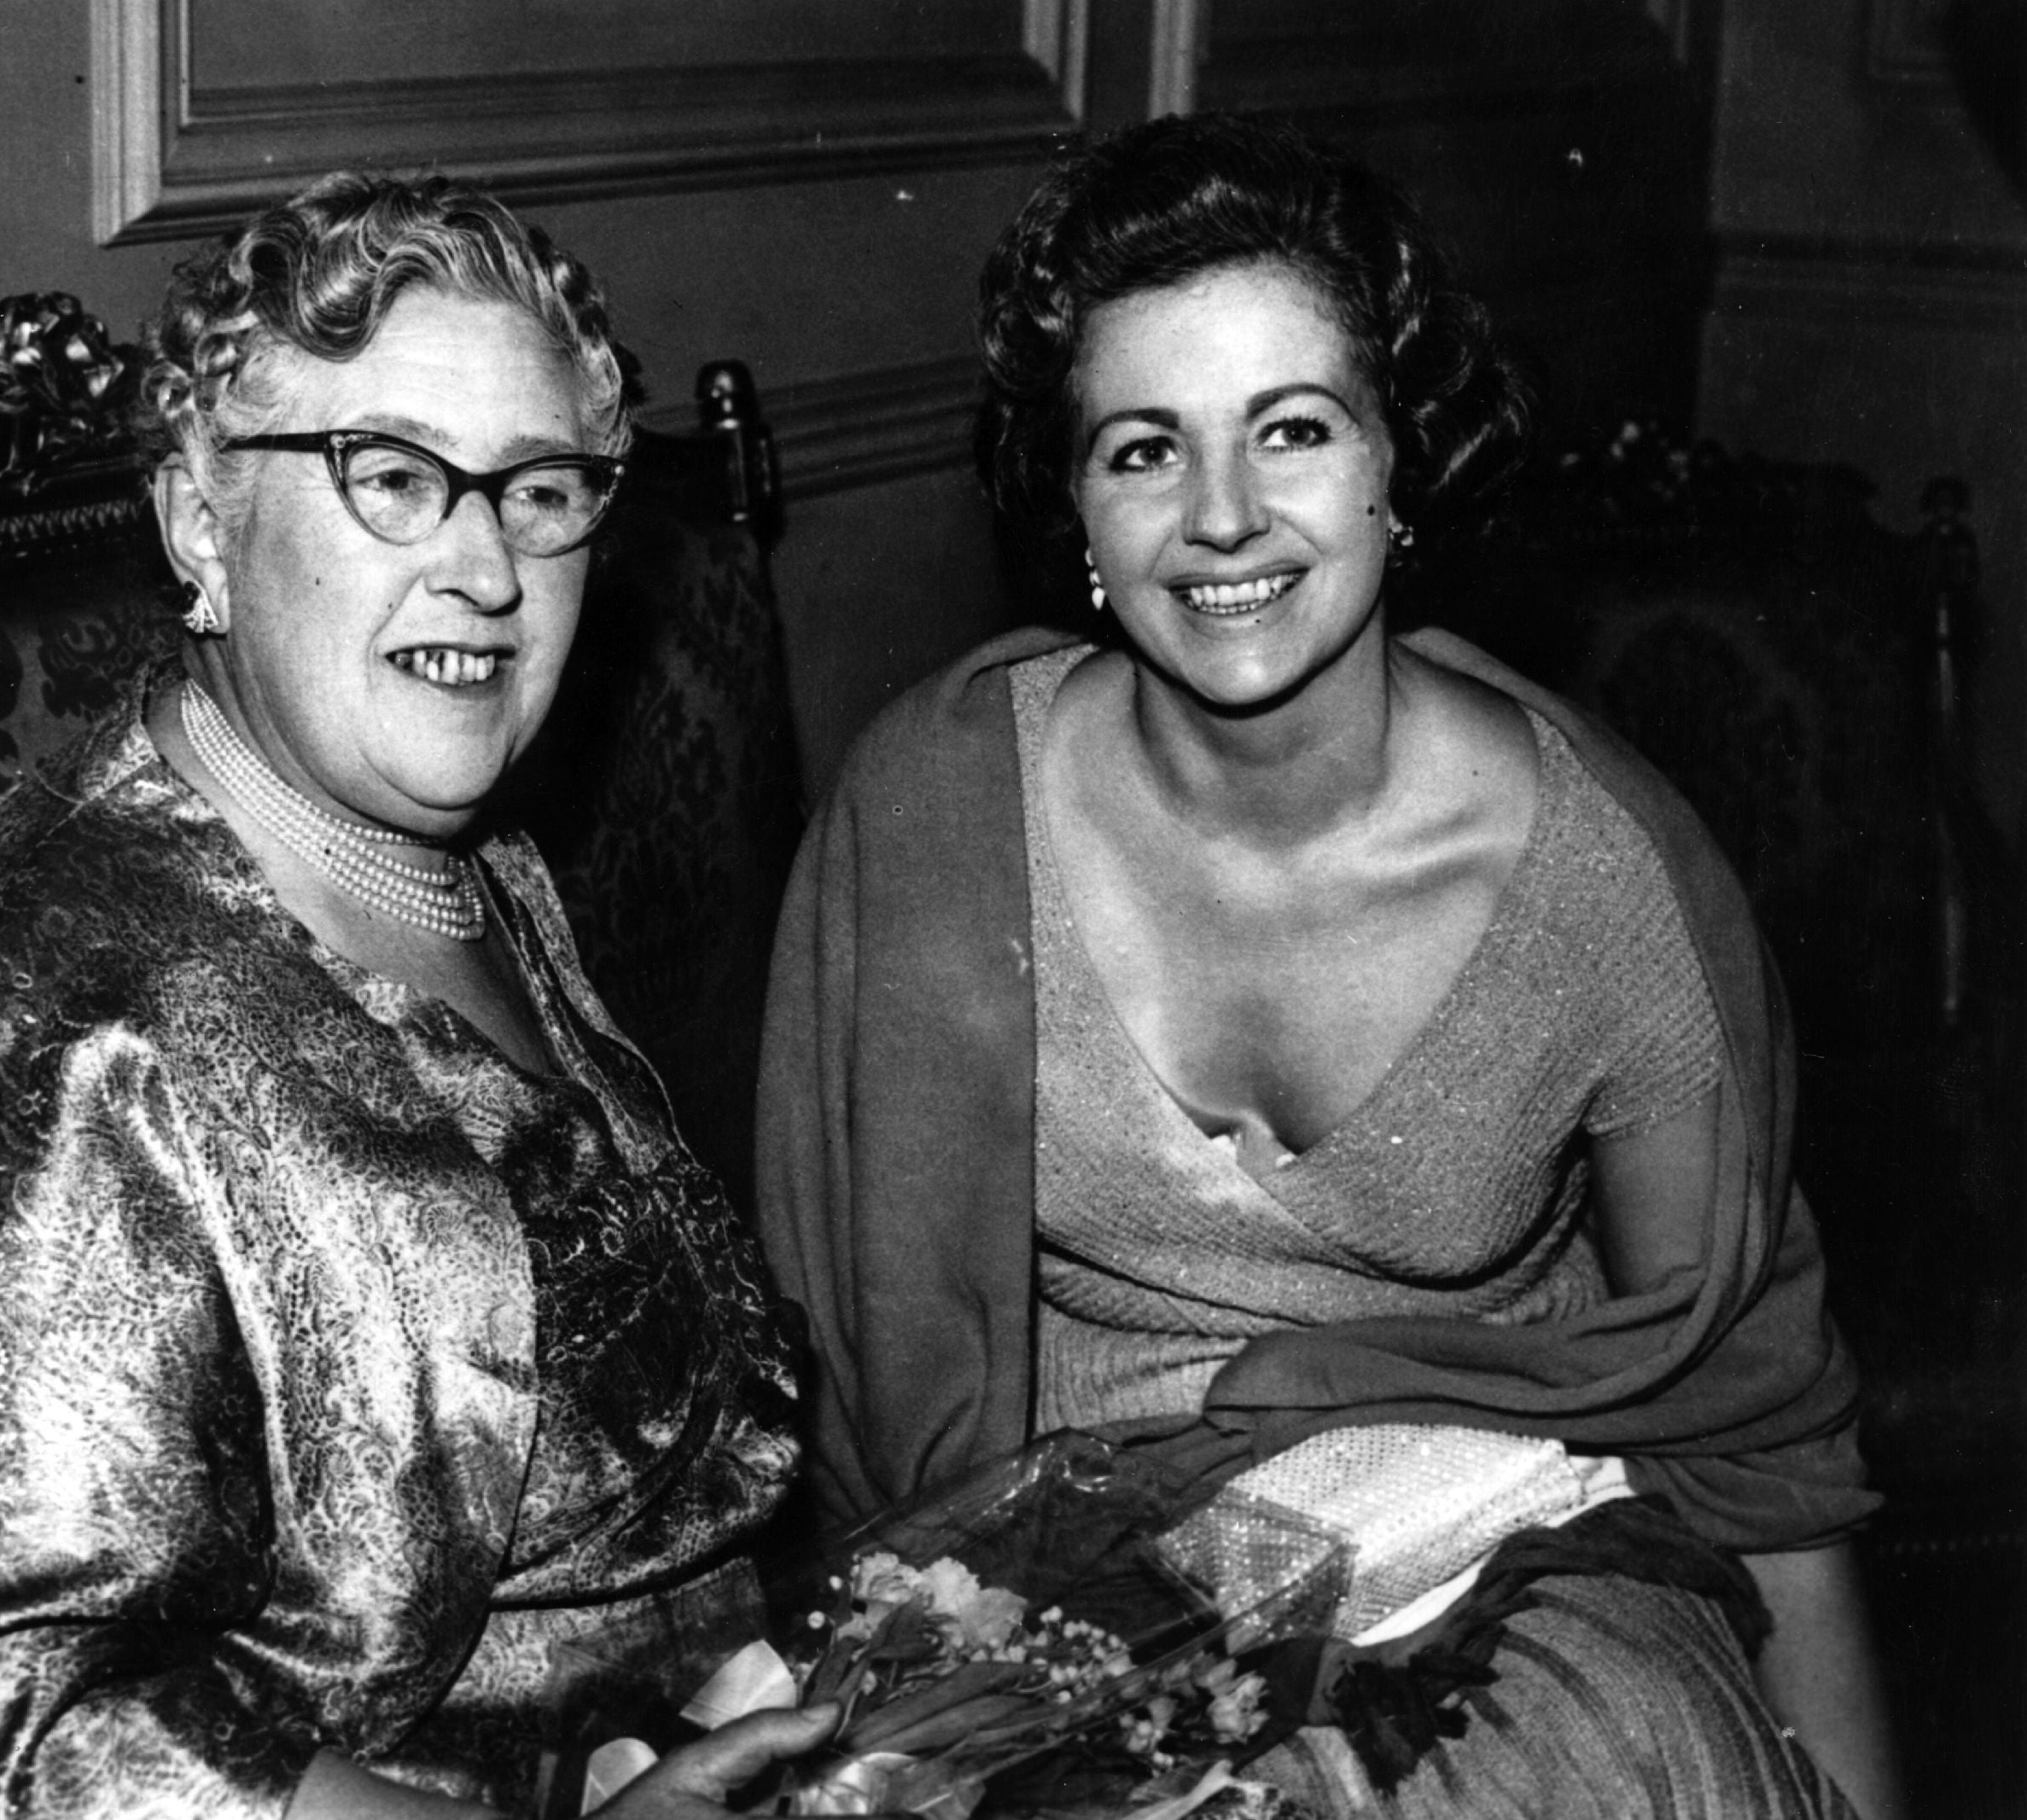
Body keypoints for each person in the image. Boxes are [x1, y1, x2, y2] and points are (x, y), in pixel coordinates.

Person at [756, 114, 1906, 1819]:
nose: (1222, 520)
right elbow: (871, 1402)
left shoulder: (1601, 877)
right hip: (1043, 1574)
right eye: (1143, 449)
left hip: (1509, 1571)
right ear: (1072, 499)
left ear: (1398, 461)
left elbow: (1754, 1421)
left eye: (1290, 430)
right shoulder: (931, 816)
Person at [0, 172, 835, 1819]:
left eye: (538, 489)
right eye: (392, 476)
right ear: (197, 521)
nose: (485, 568)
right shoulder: (48, 1010)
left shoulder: (464, 855)